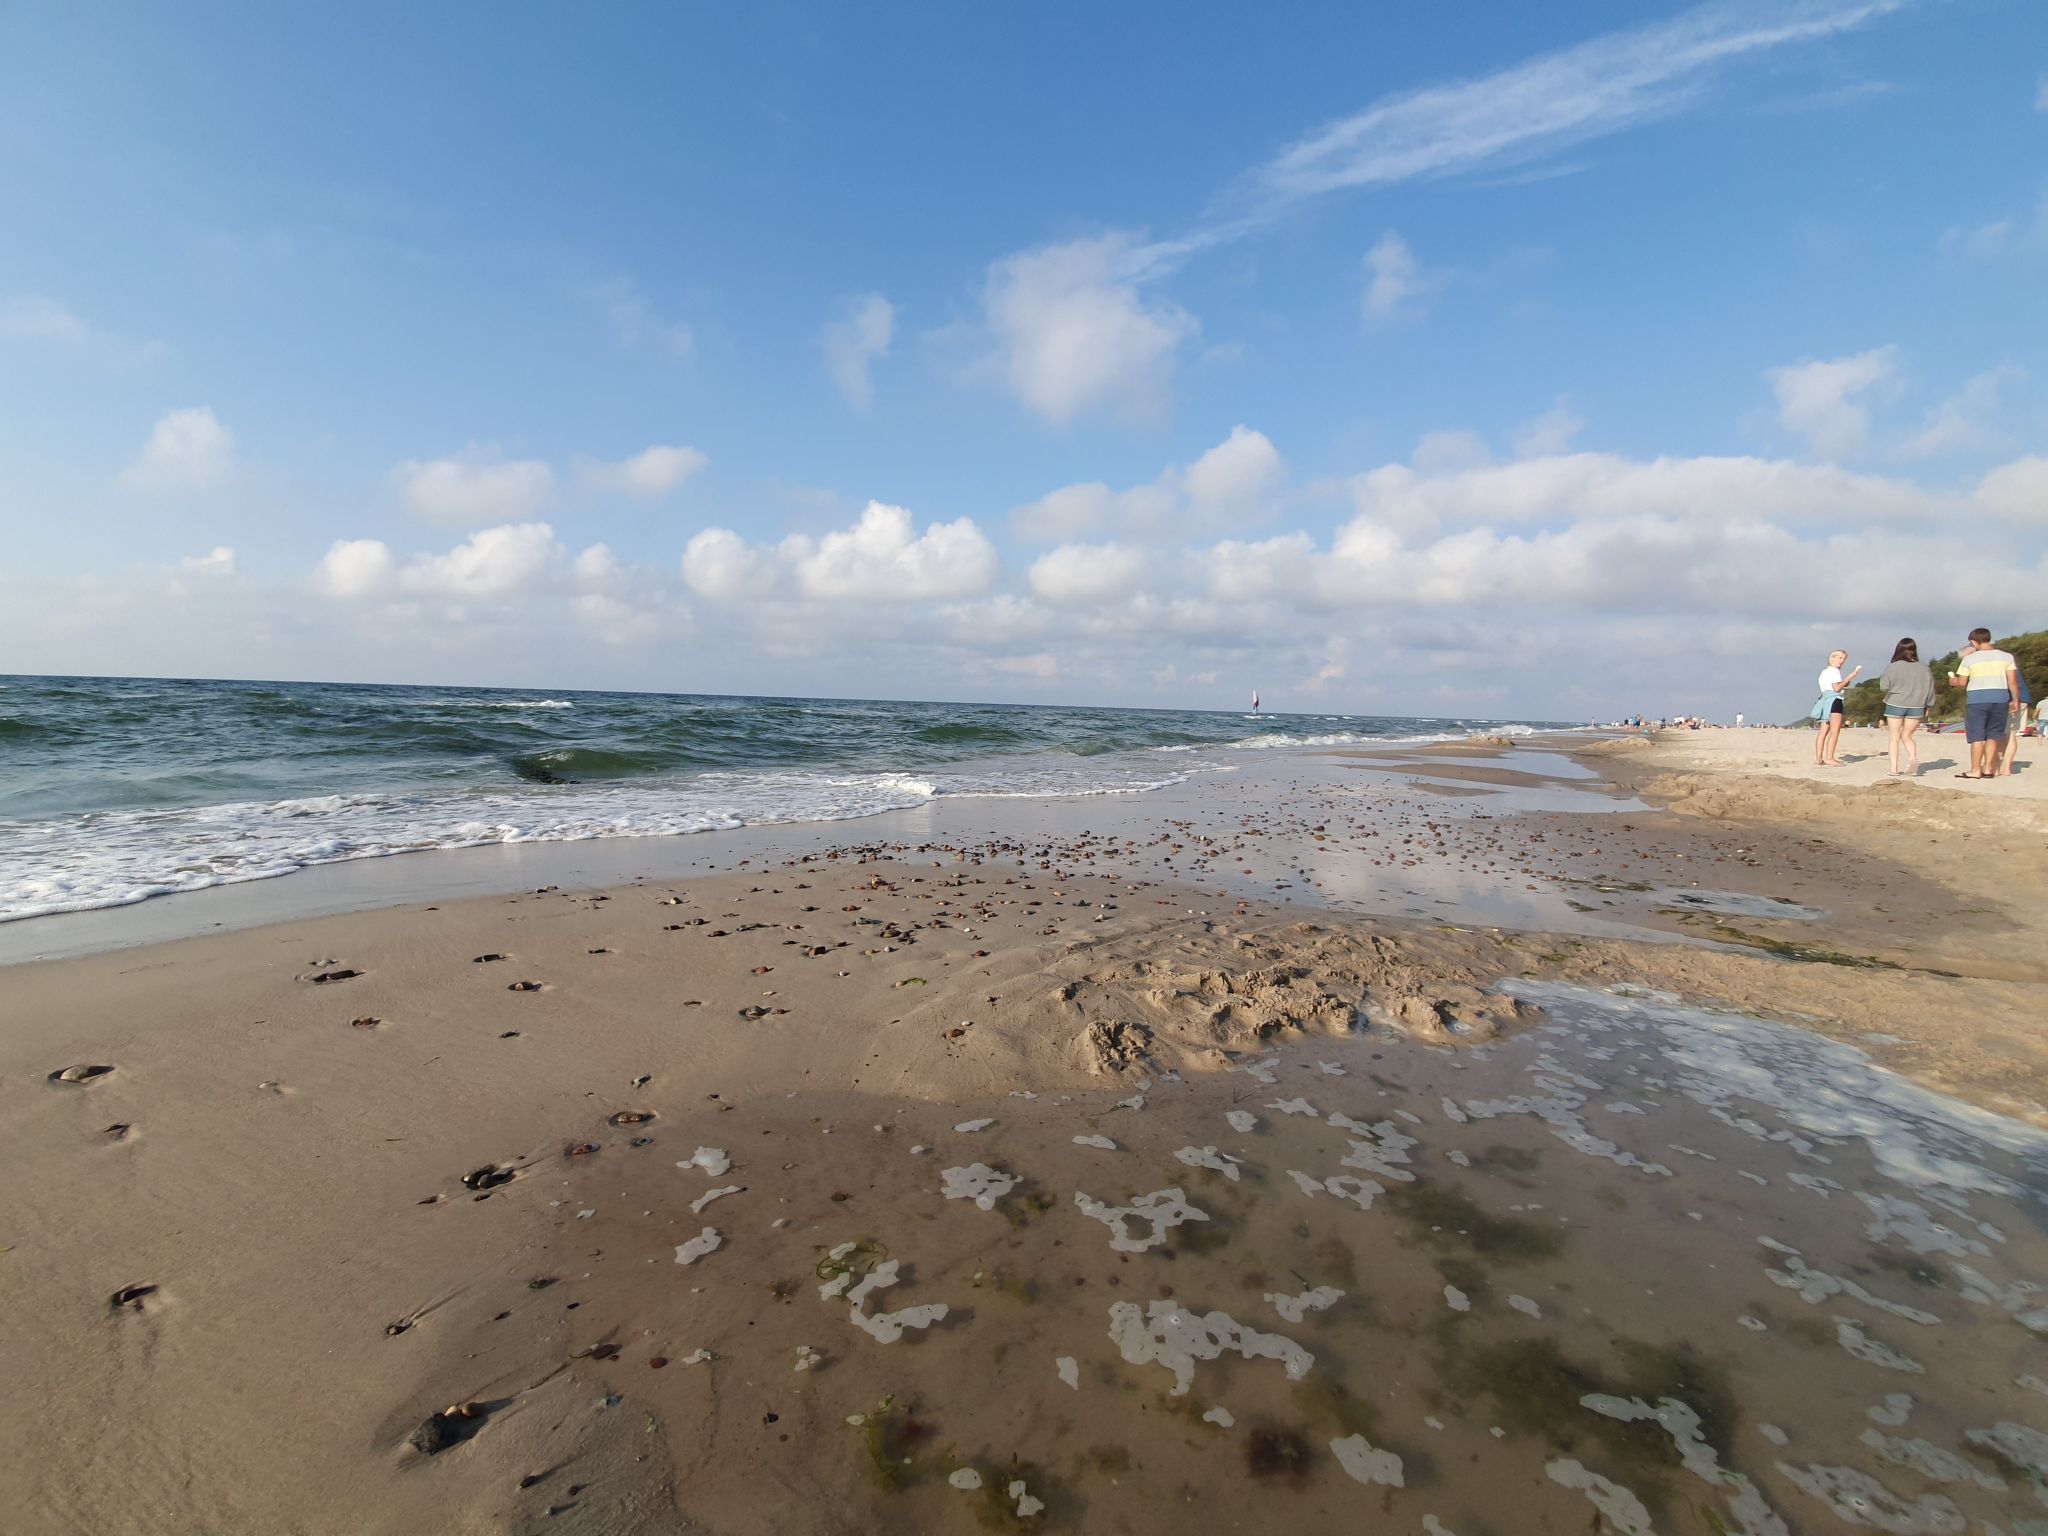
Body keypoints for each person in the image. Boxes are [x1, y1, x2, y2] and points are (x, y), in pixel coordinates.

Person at [1949, 627, 2020, 779]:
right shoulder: (2006, 657)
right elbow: (2012, 681)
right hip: (2000, 697)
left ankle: (1975, 770)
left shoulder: (1969, 659)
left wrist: (1952, 681)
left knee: (1977, 736)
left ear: (1974, 641)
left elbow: (1962, 683)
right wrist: (2015, 700)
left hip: (1977, 698)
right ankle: (1988, 769)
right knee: (1993, 734)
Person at [1878, 638, 1933, 777]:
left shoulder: (1893, 666)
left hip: (1896, 702)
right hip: (1917, 705)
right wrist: (1929, 705)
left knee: (1894, 737)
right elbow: (1931, 688)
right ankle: (1913, 759)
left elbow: (1883, 686)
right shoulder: (1924, 668)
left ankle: (1894, 769)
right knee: (1907, 735)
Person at [1813, 649, 1859, 767]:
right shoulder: (1834, 671)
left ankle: (1818, 758)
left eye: (1843, 659)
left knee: (1823, 731)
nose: (1842, 661)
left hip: (1825, 700)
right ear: (1832, 658)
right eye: (1840, 658)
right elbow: (1837, 688)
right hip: (1834, 701)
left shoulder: (1825, 672)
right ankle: (1830, 758)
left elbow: (1833, 686)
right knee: (1834, 731)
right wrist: (1850, 677)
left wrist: (1844, 682)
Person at [1999, 664, 2032, 778]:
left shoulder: (2001, 663)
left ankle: (2003, 767)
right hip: (2022, 698)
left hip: (2012, 699)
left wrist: (2014, 700)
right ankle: (2005, 766)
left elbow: (2011, 683)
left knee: (2005, 734)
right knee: (2010, 734)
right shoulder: (2008, 661)